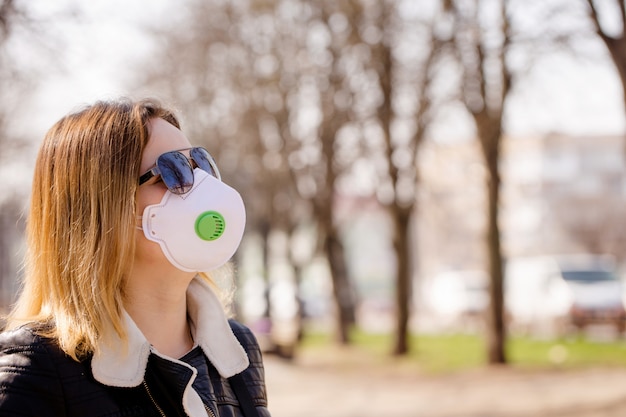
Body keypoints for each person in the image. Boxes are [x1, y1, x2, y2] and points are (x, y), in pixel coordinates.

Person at [0, 98, 271, 417]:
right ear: (99, 209)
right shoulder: (35, 367)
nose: (201, 188)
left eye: (200, 164)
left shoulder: (240, 348)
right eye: (172, 172)